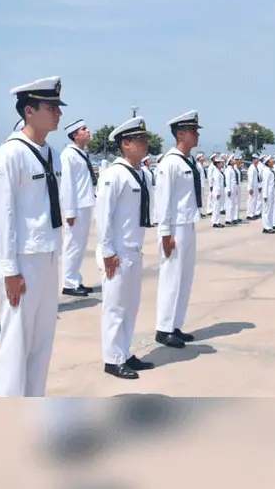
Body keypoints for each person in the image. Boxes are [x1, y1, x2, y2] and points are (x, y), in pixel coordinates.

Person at [0, 76, 66, 397]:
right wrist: (10, 270)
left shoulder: (51, 152)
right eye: (52, 108)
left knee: (41, 345)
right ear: (30, 111)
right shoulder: (9, 155)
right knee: (16, 346)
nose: (58, 114)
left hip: (47, 257)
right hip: (22, 261)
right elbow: (1, 215)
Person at [96, 117, 155, 379]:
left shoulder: (140, 173)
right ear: (126, 144)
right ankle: (112, 358)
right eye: (140, 140)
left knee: (130, 306)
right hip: (117, 252)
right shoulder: (114, 174)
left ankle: (125, 352)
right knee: (115, 307)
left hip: (134, 249)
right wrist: (108, 252)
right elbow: (104, 216)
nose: (146, 144)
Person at [154, 110, 205, 349]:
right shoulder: (170, 162)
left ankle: (175, 325)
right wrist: (165, 233)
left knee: (185, 278)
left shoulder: (190, 161)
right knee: (171, 278)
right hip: (175, 227)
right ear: (181, 134)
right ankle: (163, 328)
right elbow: (163, 200)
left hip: (189, 223)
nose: (197, 135)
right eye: (193, 131)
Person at [60, 119, 97, 297]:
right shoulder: (69, 155)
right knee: (72, 245)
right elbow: (67, 184)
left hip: (85, 203)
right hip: (76, 206)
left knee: (80, 246)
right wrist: (70, 211)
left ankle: (76, 278)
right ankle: (69, 282)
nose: (88, 131)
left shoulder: (81, 153)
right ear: (75, 135)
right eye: (84, 129)